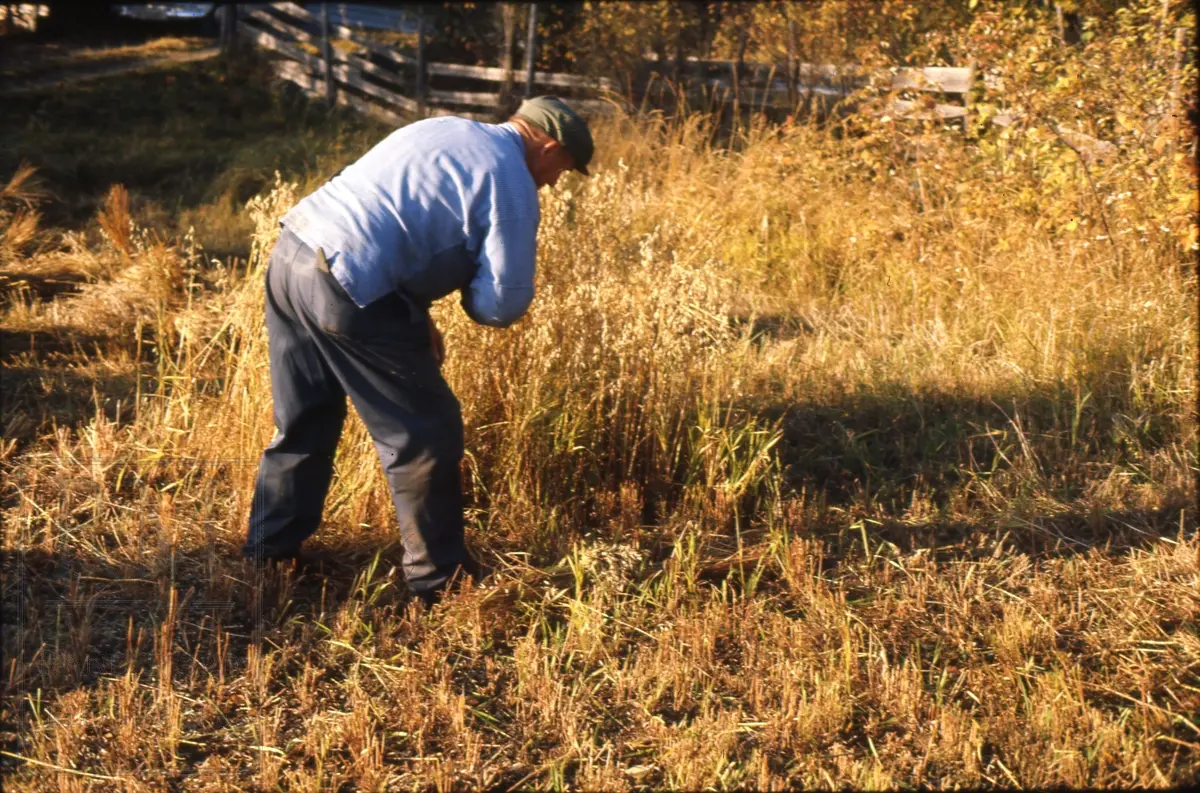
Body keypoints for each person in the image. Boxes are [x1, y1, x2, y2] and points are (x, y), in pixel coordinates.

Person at [242, 96, 594, 608]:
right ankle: (441, 583)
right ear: (550, 144)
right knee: (426, 433)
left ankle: (269, 552)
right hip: (350, 286)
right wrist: (469, 289)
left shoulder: (444, 128)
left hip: (294, 253)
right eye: (564, 168)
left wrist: (416, 306)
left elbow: (382, 211)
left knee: (304, 416)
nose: (556, 182)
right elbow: (501, 304)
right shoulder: (513, 179)